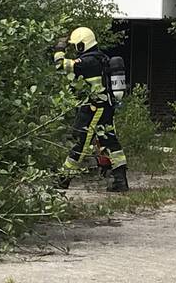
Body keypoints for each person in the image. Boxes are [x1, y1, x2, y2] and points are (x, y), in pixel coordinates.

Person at [54, 27, 129, 192]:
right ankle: (119, 180)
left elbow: (60, 65)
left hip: (93, 108)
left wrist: (60, 47)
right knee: (108, 140)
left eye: (76, 46)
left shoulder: (88, 62)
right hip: (105, 106)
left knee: (80, 142)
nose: (75, 49)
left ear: (82, 45)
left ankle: (63, 178)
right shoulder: (101, 58)